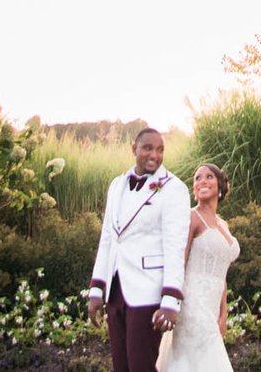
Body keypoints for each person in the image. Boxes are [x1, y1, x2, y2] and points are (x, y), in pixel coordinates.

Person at [86, 128, 189, 372]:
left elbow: (175, 247)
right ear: (134, 149)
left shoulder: (174, 189)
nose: (155, 154)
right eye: (147, 148)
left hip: (148, 292)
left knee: (141, 366)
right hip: (116, 291)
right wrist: (96, 290)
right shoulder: (116, 185)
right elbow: (108, 238)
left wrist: (171, 300)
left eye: (160, 149)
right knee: (121, 367)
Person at [160, 162, 240, 372]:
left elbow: (221, 275)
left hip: (211, 306)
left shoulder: (224, 225)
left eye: (208, 177)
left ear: (220, 185)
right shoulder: (191, 217)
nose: (202, 181)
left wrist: (223, 315)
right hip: (191, 303)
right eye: (197, 178)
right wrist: (172, 303)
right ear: (194, 189)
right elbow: (179, 262)